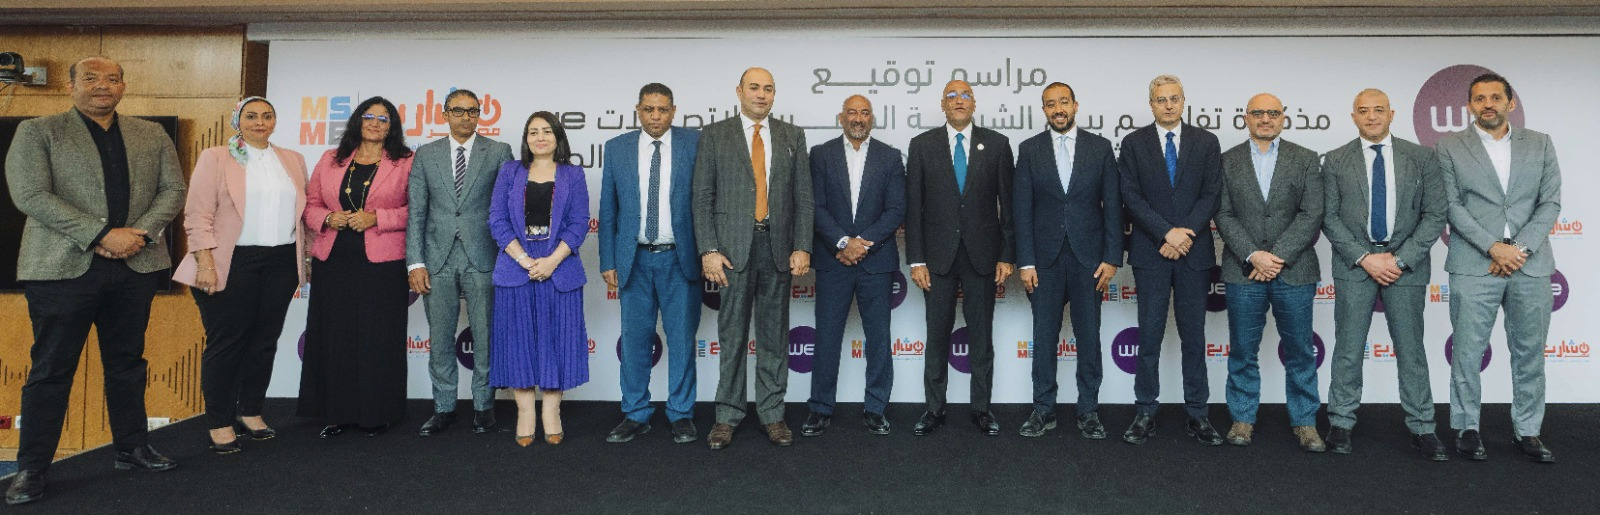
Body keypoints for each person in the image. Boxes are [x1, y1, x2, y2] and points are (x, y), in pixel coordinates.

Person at [3, 56, 185, 506]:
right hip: (63, 268)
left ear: (123, 86)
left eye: (112, 79)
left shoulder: (151, 134)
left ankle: (131, 448)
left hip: (135, 264)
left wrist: (137, 235)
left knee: (127, 363)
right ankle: (32, 468)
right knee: (51, 369)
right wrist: (102, 234)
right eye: (90, 78)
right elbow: (30, 195)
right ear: (71, 86)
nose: (102, 86)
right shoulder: (38, 132)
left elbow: (173, 190)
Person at [172, 96, 308, 454]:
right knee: (228, 342)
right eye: (251, 116)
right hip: (230, 261)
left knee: (264, 341)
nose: (260, 122)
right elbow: (197, 214)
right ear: (238, 121)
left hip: (281, 262)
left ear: (275, 121)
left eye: (267, 116)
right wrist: (205, 262)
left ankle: (250, 411)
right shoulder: (216, 157)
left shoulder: (292, 159)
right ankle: (219, 421)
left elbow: (301, 214)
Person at [1437, 73, 1561, 463]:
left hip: (1529, 263)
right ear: (1469, 106)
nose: (1487, 104)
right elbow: (1451, 205)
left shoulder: (1540, 143)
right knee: (1467, 351)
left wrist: (1517, 249)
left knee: (1529, 353)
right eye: (1479, 98)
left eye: (1495, 97)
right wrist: (1493, 247)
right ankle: (1466, 428)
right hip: (1475, 262)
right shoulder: (1449, 146)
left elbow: (1550, 203)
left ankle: (1528, 431)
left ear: (1510, 102)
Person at [1322, 88, 1449, 460]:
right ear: (1353, 116)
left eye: (1379, 109)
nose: (1371, 116)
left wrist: (1401, 259)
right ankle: (1341, 422)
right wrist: (1365, 258)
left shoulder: (1422, 157)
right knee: (1348, 348)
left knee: (1411, 349)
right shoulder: (1335, 160)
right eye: (1363, 110)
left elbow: (1434, 214)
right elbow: (1328, 217)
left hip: (1404, 267)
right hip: (1355, 266)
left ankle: (1423, 427)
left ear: (1392, 114)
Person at [692, 67, 812, 449]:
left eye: (768, 89)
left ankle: (772, 414)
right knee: (732, 337)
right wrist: (709, 250)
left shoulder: (792, 136)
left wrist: (802, 245)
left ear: (775, 94)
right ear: (739, 91)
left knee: (774, 337)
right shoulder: (715, 135)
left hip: (777, 249)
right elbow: (702, 197)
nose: (761, 95)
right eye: (755, 87)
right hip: (731, 252)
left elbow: (803, 197)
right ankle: (727, 415)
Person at [1213, 93, 1325, 452]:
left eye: (1272, 113)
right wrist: (1253, 255)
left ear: (1283, 118)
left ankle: (1305, 422)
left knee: (1300, 351)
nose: (1265, 118)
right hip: (1243, 271)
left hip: (1294, 270)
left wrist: (1275, 257)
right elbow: (1223, 213)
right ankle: (1242, 419)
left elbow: (1311, 213)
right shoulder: (1226, 161)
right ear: (1246, 118)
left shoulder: (1305, 159)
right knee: (1243, 351)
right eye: (1258, 113)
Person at [297, 96, 414, 438]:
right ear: (357, 121)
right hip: (334, 261)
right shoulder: (330, 159)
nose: (375, 123)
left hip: (383, 263)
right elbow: (310, 206)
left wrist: (377, 218)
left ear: (392, 127)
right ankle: (337, 413)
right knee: (337, 337)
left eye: (383, 118)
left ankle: (378, 414)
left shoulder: (406, 161)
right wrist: (328, 218)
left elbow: (417, 209)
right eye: (369, 116)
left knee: (379, 337)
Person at [905, 79, 1015, 437]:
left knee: (981, 336)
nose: (959, 101)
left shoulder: (997, 144)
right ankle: (934, 408)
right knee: (937, 334)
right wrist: (916, 259)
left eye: (965, 95)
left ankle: (981, 408)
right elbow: (914, 207)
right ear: (943, 104)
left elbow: (1008, 206)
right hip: (936, 257)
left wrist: (1007, 254)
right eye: (951, 96)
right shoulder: (922, 145)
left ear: (974, 103)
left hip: (983, 255)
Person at [1118, 74, 1223, 445]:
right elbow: (1130, 196)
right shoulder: (1133, 144)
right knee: (1149, 336)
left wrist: (1184, 234)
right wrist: (1166, 233)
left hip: (1193, 254)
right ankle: (1145, 411)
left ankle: (1198, 414)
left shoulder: (1206, 142)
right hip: (1152, 253)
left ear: (1183, 101)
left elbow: (1212, 194)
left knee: (1194, 337)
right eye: (1161, 99)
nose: (1168, 105)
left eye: (1174, 98)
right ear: (1151, 104)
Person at [1013, 82, 1121, 439]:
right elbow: (1021, 209)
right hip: (1043, 260)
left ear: (1075, 105)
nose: (1058, 109)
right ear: (1043, 110)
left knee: (1089, 337)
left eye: (1063, 102)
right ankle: (1043, 409)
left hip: (1089, 259)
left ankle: (1088, 410)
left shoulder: (1100, 148)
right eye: (1050, 104)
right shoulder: (1029, 149)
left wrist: (1112, 257)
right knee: (1044, 336)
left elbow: (1113, 206)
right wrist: (1025, 261)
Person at [600, 83, 703, 444]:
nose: (655, 116)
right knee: (634, 342)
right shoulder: (617, 148)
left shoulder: (695, 144)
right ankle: (635, 412)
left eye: (662, 109)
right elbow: (608, 210)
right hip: (635, 260)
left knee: (682, 340)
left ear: (674, 111)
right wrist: (608, 259)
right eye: (649, 109)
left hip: (680, 258)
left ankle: (681, 413)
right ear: (638, 110)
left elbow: (707, 199)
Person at [406, 89, 513, 437]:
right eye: (458, 110)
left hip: (483, 255)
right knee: (439, 338)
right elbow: (416, 211)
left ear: (479, 114)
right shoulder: (426, 154)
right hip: (436, 258)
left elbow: (507, 208)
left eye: (472, 111)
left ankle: (484, 406)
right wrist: (415, 263)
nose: (465, 117)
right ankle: (443, 408)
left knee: (486, 335)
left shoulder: (499, 152)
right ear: (445, 114)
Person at [802, 94, 905, 437]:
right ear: (841, 117)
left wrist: (861, 243)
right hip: (834, 260)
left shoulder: (890, 157)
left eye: (864, 112)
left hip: (876, 262)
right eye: (851, 112)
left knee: (878, 338)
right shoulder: (821, 154)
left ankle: (876, 408)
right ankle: (820, 408)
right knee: (827, 336)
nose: (858, 118)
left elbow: (896, 209)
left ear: (871, 118)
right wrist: (844, 243)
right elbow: (815, 206)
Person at [488, 111, 591, 447]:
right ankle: (524, 413)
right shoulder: (509, 171)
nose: (540, 137)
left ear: (558, 137)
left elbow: (579, 223)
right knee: (518, 343)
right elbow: (497, 220)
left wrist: (551, 261)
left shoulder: (573, 174)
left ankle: (551, 411)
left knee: (556, 343)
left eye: (547, 131)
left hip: (558, 268)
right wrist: (523, 259)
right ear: (526, 139)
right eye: (533, 132)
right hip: (516, 267)